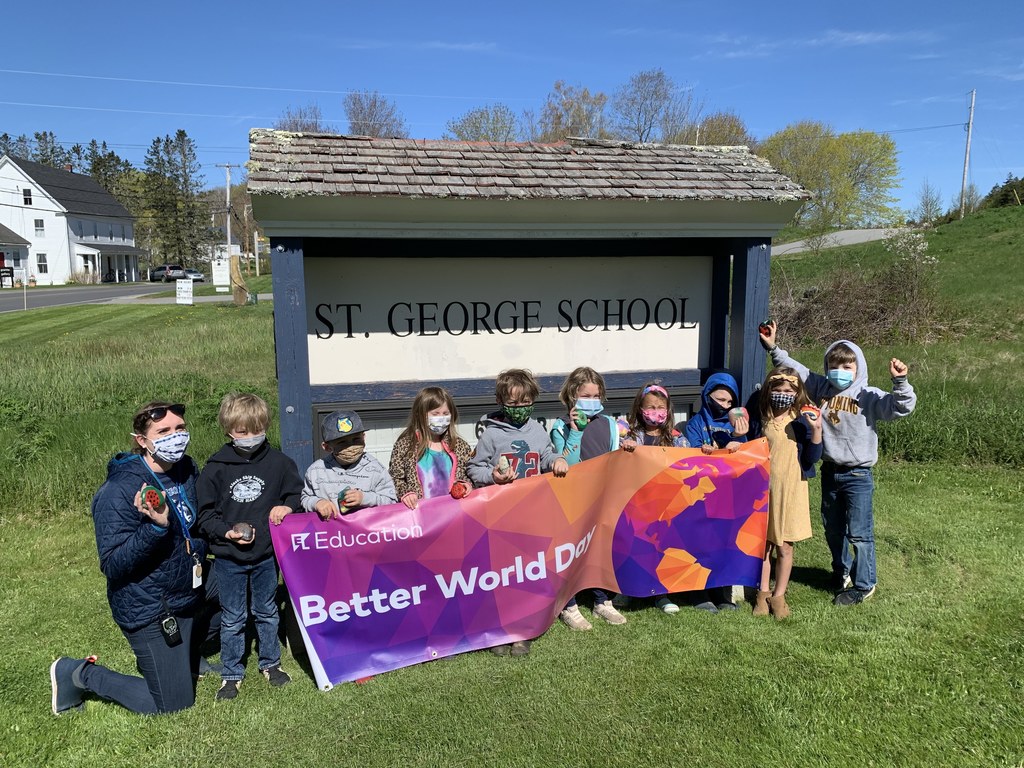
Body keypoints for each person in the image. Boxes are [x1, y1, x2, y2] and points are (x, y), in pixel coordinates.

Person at [50, 401, 208, 715]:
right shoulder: (118, 491)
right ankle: (79, 674)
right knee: (170, 704)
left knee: (243, 580)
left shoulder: (185, 469)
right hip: (151, 605)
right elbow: (112, 564)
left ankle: (186, 656)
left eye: (179, 429)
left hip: (187, 587)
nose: (175, 437)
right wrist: (155, 527)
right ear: (141, 440)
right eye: (163, 431)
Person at [760, 322, 916, 606]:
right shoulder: (822, 387)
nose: (840, 373)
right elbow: (799, 372)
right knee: (832, 529)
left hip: (858, 474)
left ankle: (864, 584)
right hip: (830, 471)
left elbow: (901, 407)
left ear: (859, 369)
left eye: (847, 367)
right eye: (835, 366)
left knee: (859, 533)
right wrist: (773, 348)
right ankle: (840, 572)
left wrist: (900, 382)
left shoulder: (868, 396)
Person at [197, 393, 303, 701]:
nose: (249, 437)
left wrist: (287, 508)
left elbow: (295, 495)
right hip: (229, 558)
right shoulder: (216, 467)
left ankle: (270, 663)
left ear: (265, 425)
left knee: (267, 610)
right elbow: (205, 514)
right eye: (242, 431)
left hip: (266, 556)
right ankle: (231, 672)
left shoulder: (280, 462)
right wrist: (226, 532)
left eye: (256, 429)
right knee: (233, 616)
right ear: (228, 430)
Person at [466, 368, 569, 657]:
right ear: (501, 402)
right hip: (500, 516)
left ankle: (523, 631)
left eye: (526, 404)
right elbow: (474, 468)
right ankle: (499, 629)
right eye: (514, 405)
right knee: (501, 575)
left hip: (532, 515)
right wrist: (493, 477)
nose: (521, 410)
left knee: (528, 574)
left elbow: (546, 455)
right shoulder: (491, 435)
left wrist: (557, 460)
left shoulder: (537, 430)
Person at [549, 367, 625, 630]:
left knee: (600, 549)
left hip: (602, 496)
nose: (592, 400)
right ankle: (568, 604)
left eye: (596, 395)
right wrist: (575, 430)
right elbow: (565, 463)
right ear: (572, 395)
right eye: (585, 395)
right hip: (572, 498)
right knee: (573, 549)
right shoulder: (559, 426)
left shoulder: (609, 424)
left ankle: (601, 600)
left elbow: (615, 458)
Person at [747, 369, 823, 619]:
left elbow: (812, 459)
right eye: (777, 390)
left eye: (788, 391)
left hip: (791, 488)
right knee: (764, 545)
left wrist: (816, 431)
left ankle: (779, 595)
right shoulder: (762, 418)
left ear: (797, 393)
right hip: (763, 488)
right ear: (769, 391)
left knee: (785, 546)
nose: (782, 395)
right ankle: (762, 592)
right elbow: (749, 447)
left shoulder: (800, 419)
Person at [611, 383, 690, 615]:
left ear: (668, 410)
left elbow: (689, 466)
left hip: (665, 506)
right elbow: (614, 461)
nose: (656, 412)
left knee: (662, 549)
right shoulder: (629, 435)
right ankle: (626, 588)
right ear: (640, 409)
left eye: (660, 407)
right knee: (631, 547)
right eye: (650, 407)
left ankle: (662, 593)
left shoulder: (677, 440)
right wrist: (624, 449)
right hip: (635, 504)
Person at [302, 410, 397, 519]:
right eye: (342, 442)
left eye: (356, 439)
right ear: (327, 447)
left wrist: (365, 498)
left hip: (366, 533)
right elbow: (305, 499)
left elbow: (392, 501)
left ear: (364, 437)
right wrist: (317, 502)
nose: (351, 446)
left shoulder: (376, 469)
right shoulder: (315, 471)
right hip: (332, 533)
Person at [389, 387, 473, 509]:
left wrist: (465, 485)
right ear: (420, 415)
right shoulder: (405, 446)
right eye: (435, 414)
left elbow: (469, 474)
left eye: (445, 413)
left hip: (454, 514)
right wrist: (405, 493)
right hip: (420, 516)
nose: (441, 418)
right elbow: (394, 478)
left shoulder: (459, 446)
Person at [684, 373, 750, 453]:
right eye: (721, 400)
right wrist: (704, 450)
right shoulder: (695, 424)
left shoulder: (734, 422)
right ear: (707, 395)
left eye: (730, 402)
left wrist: (738, 436)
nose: (725, 406)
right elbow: (693, 453)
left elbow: (744, 453)